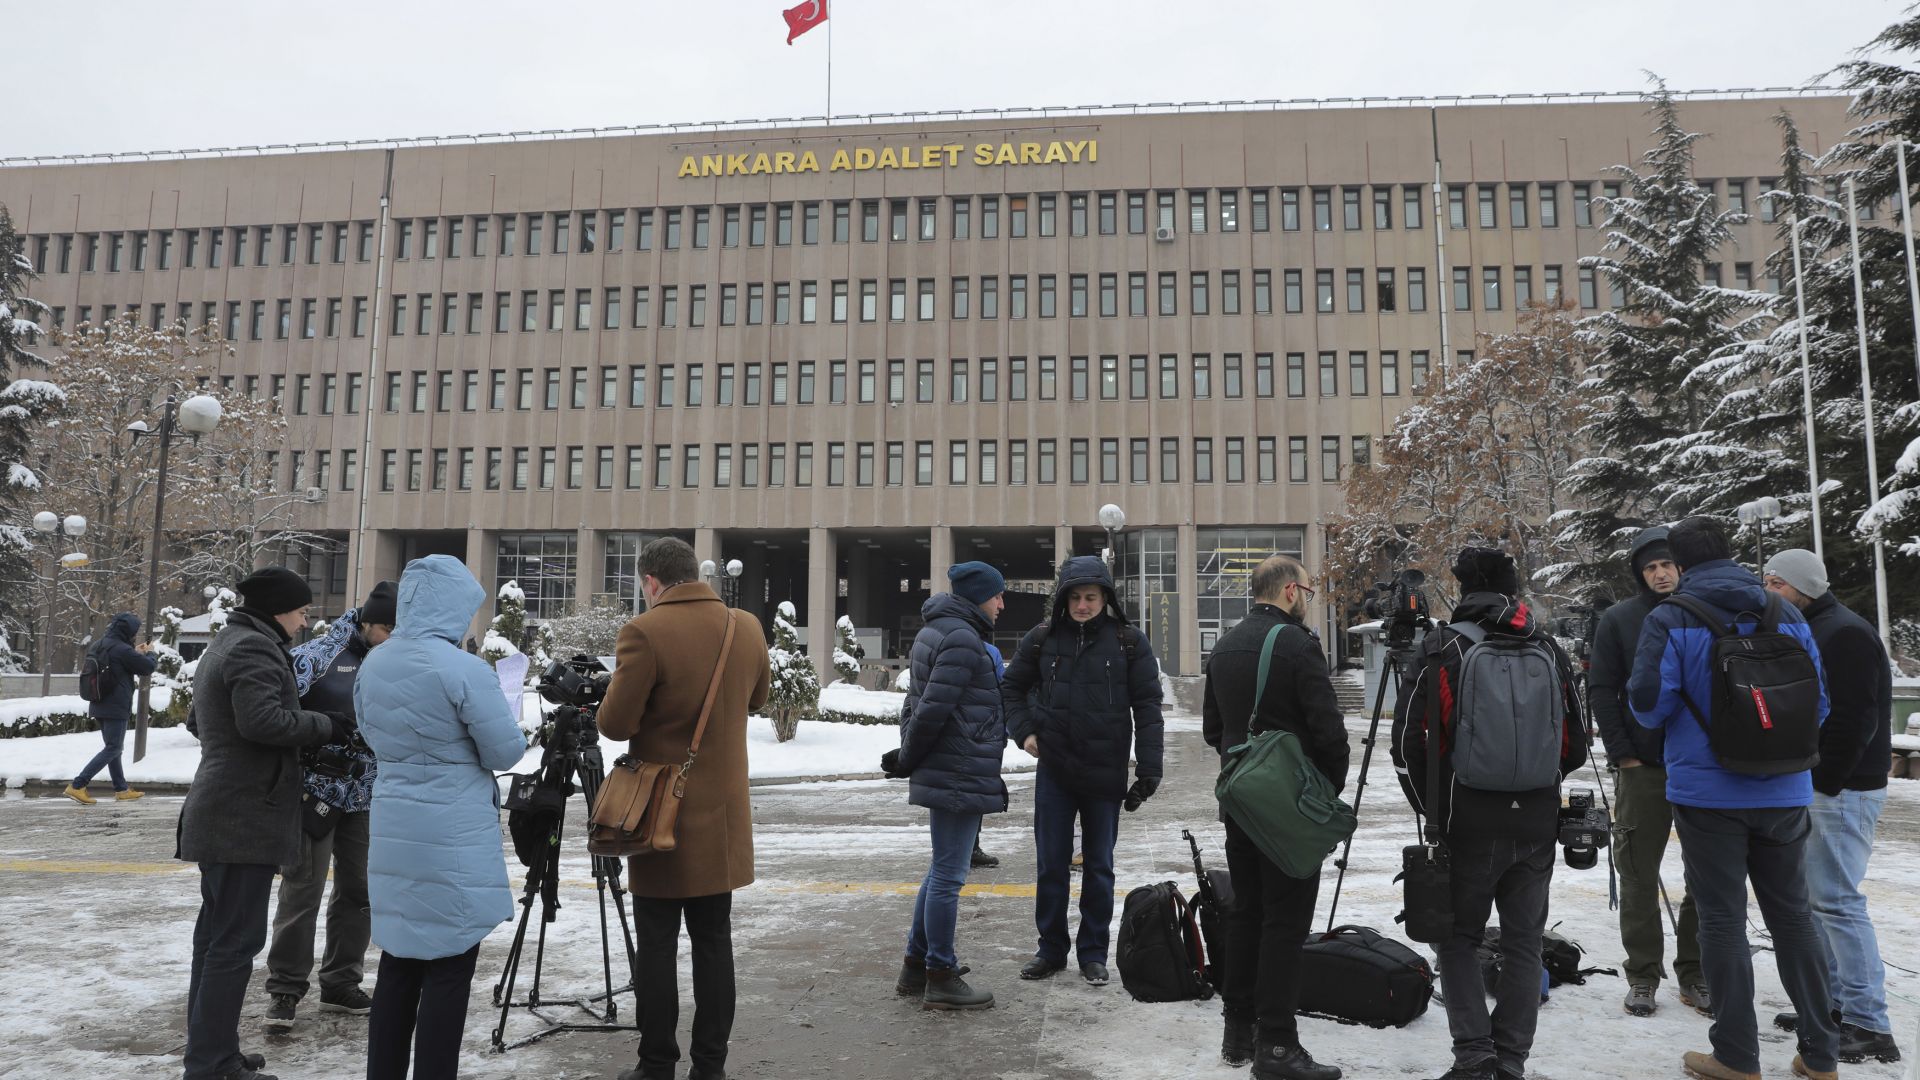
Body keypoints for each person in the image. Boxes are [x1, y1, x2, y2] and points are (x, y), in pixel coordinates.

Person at [1628, 517, 1839, 1080]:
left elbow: (1647, 706)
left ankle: (1737, 1056)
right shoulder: (1785, 613)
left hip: (1707, 793)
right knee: (1793, 917)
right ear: (1731, 552)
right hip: (1785, 789)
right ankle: (1821, 1055)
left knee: (1721, 921)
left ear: (1681, 563)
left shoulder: (1670, 617)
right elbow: (1818, 703)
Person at [1393, 546, 1587, 1080]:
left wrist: (1434, 812)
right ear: (1513, 589)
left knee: (1459, 939)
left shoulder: (1443, 648)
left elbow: (1408, 744)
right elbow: (1575, 745)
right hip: (1537, 821)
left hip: (1468, 823)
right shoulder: (1548, 648)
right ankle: (1512, 1060)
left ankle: (1476, 1057)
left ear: (1463, 589)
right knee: (1524, 943)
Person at [599, 538, 771, 1080]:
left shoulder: (644, 632)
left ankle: (656, 1066)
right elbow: (758, 699)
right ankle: (710, 1067)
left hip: (660, 816)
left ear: (650, 581)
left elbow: (615, 724)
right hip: (721, 818)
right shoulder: (746, 626)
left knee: (656, 944)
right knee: (714, 942)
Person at [354, 555, 526, 1080]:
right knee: (449, 968)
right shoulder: (463, 669)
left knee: (398, 963)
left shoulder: (375, 663)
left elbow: (368, 733)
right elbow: (504, 750)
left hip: (394, 823)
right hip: (452, 831)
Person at [178, 568, 345, 1080]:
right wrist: (327, 726)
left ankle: (213, 1052)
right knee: (233, 945)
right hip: (241, 818)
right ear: (278, 609)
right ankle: (211, 1064)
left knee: (215, 941)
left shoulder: (228, 642)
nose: (305, 621)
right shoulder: (253, 647)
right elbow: (261, 721)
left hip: (225, 810)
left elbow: (200, 720)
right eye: (301, 612)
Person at [1202, 555, 1347, 1080]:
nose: (1308, 598)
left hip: (1241, 804)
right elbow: (1330, 733)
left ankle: (1238, 1032)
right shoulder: (1298, 645)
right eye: (1307, 590)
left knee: (1247, 913)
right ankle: (1279, 1046)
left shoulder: (1225, 644)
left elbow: (1213, 729)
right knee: (1286, 923)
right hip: (1288, 810)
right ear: (1290, 591)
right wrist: (1325, 795)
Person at [1763, 549, 1902, 1065]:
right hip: (1823, 785)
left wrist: (1825, 782)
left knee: (1838, 903)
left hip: (1843, 790)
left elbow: (1854, 718)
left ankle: (1869, 1023)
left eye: (1776, 583)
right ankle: (1834, 1006)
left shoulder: (1844, 633)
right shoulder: (1816, 626)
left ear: (1803, 587)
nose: (1769, 591)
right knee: (1819, 902)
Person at [1002, 555, 1165, 988]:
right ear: (1063, 599)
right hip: (1055, 770)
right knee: (1051, 865)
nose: (1082, 605)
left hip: (1104, 770)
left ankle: (1093, 953)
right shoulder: (1042, 638)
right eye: (1075, 597)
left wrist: (1150, 767)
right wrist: (1024, 732)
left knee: (1099, 867)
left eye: (1091, 597)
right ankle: (1050, 949)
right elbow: (1011, 688)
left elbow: (1148, 707)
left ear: (1105, 598)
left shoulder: (1129, 642)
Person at [261, 581, 397, 1032]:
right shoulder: (315, 657)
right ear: (367, 622)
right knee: (303, 889)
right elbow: (279, 717)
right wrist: (320, 739)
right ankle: (285, 988)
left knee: (361, 891)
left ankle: (341, 982)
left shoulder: (395, 661)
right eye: (387, 629)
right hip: (314, 791)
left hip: (366, 793)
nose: (392, 639)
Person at [1586, 526, 1707, 1017]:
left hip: (1701, 765)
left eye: (1666, 565)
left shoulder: (1705, 612)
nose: (1660, 574)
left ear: (1682, 567)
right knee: (1637, 872)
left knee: (1705, 874)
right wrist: (1623, 753)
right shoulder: (1620, 619)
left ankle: (1696, 972)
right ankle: (1642, 975)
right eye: (1650, 568)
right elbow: (1602, 688)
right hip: (1643, 766)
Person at [886, 561, 1010, 1011]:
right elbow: (931, 710)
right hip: (959, 768)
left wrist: (909, 752)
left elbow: (913, 704)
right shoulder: (961, 638)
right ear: (978, 596)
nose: (1001, 604)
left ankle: (915, 966)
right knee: (949, 876)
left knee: (941, 869)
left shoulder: (936, 631)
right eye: (997, 595)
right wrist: (908, 758)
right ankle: (940, 973)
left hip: (953, 764)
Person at [63, 611, 158, 804]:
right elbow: (147, 667)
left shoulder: (100, 644)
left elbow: (118, 662)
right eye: (134, 632)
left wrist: (134, 651)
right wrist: (151, 653)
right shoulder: (122, 650)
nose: (134, 635)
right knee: (114, 747)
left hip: (98, 702)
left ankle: (121, 789)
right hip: (116, 705)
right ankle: (78, 785)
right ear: (128, 631)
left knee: (113, 748)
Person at [971, 642, 1006, 870]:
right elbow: (1003, 692)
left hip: (983, 735)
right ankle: (967, 847)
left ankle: (967, 846)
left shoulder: (991, 652)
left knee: (973, 793)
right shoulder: (989, 651)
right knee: (975, 792)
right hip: (983, 735)